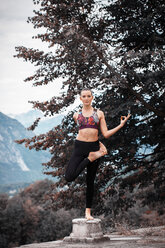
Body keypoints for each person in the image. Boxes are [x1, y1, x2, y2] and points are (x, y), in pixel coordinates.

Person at [65, 88, 131, 220]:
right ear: (80, 98)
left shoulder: (99, 113)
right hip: (80, 148)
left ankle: (87, 212)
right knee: (69, 176)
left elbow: (105, 134)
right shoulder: (76, 115)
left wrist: (121, 125)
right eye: (84, 96)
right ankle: (90, 159)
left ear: (92, 97)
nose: (86, 98)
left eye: (89, 96)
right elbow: (82, 131)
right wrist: (90, 157)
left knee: (90, 181)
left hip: (94, 147)